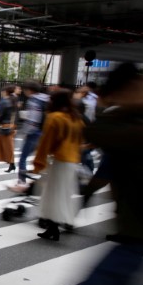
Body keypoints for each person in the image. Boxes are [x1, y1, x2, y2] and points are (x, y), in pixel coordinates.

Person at [4, 63, 143, 285]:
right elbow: (103, 167)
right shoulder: (129, 130)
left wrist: (116, 101)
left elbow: (100, 132)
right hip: (132, 241)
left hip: (135, 243)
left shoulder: (129, 127)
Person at [31, 89, 85, 241]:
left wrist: (38, 162)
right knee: (61, 195)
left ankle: (53, 228)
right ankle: (53, 228)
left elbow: (46, 142)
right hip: (72, 161)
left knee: (52, 194)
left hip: (60, 161)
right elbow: (79, 141)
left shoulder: (55, 117)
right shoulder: (76, 118)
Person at [15, 81, 49, 185]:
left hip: (35, 133)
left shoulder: (33, 101)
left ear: (29, 90)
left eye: (24, 90)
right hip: (46, 132)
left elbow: (33, 120)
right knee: (43, 156)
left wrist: (25, 131)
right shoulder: (47, 98)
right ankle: (47, 178)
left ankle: (21, 180)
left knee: (23, 157)